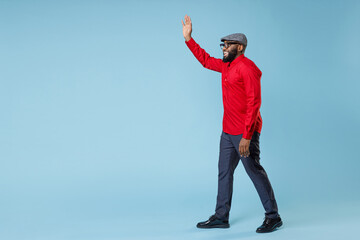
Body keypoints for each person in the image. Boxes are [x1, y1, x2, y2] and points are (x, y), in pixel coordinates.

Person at [181, 15, 283, 233]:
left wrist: (247, 135)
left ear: (240, 47)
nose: (224, 48)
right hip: (227, 132)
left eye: (228, 45)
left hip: (245, 133)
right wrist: (189, 39)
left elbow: (254, 103)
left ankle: (273, 217)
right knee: (224, 172)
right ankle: (221, 216)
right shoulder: (226, 66)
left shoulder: (247, 68)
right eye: (223, 45)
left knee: (254, 171)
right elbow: (206, 60)